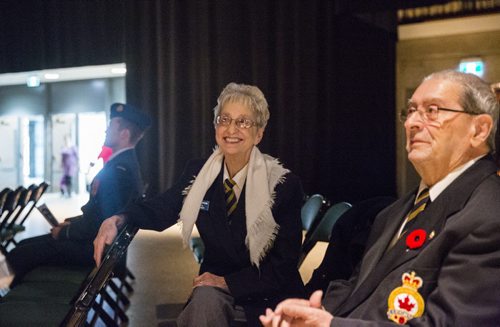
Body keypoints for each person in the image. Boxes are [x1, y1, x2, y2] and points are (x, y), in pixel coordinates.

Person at [260, 70, 500, 327]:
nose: (412, 123)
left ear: (479, 129)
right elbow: (359, 291)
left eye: (432, 110)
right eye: (410, 112)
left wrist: (330, 326)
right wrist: (309, 312)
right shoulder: (392, 214)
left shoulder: (488, 215)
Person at [93, 83, 305, 327]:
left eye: (243, 122)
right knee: (204, 299)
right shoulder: (199, 172)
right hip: (214, 292)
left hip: (268, 295)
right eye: (224, 119)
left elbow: (284, 267)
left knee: (204, 301)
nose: (231, 129)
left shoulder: (283, 186)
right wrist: (118, 218)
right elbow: (163, 207)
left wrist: (228, 282)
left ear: (259, 133)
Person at [5, 103, 151, 286]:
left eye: (111, 126)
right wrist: (71, 224)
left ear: (124, 134)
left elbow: (101, 222)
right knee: (24, 247)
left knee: (21, 253)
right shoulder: (125, 165)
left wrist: (65, 232)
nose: (106, 130)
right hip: (99, 245)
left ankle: (14, 305)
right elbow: (99, 213)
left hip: (94, 248)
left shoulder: (119, 171)